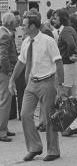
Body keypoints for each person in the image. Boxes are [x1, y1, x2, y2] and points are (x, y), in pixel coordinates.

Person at [8, 15, 64, 161]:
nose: (22, 27)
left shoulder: (48, 41)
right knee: (25, 114)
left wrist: (60, 86)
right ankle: (35, 147)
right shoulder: (27, 41)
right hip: (32, 83)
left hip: (48, 82)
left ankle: (53, 150)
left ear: (32, 26)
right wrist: (12, 80)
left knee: (50, 118)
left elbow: (58, 63)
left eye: (24, 24)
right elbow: (21, 63)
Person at [53, 9, 77, 137]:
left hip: (67, 66)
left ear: (61, 18)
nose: (54, 20)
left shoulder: (65, 31)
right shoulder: (70, 28)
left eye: (56, 18)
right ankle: (75, 125)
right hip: (71, 66)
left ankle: (72, 126)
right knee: (71, 96)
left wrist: (69, 55)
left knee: (64, 95)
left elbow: (72, 44)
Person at [0, 12, 18, 142]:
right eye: (16, 21)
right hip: (4, 72)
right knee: (5, 101)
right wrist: (9, 71)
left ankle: (4, 127)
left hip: (3, 72)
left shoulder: (2, 32)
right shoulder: (5, 35)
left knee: (5, 100)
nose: (17, 23)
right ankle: (1, 130)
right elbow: (3, 56)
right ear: (11, 23)